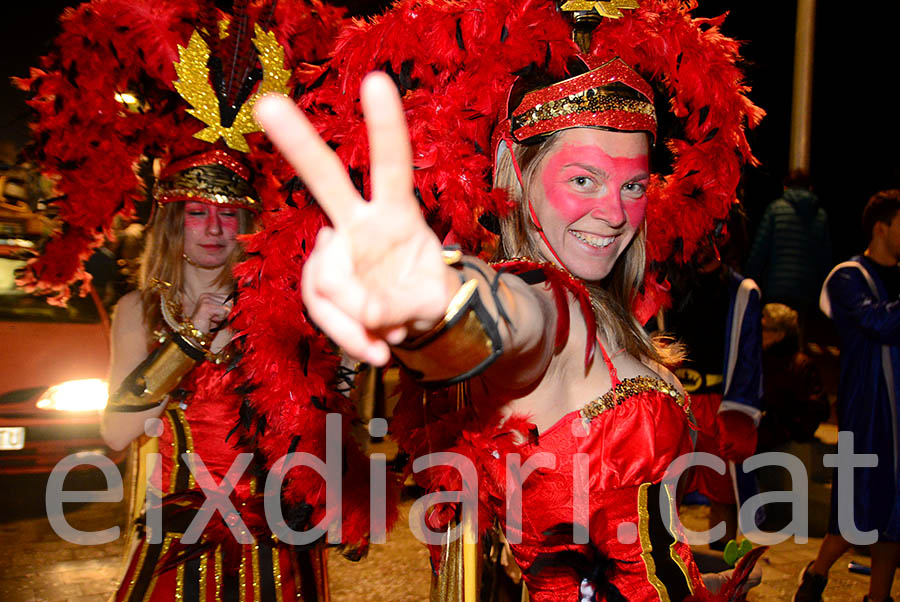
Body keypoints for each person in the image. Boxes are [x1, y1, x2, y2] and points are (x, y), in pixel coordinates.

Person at [257, 26, 763, 602]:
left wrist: (702, 582)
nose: (615, 213)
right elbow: (513, 319)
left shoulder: (605, 305)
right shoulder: (547, 301)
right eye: (583, 179)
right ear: (517, 177)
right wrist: (437, 301)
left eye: (634, 185)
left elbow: (623, 549)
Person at [794, 189, 900, 602]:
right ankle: (816, 574)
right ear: (881, 226)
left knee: (894, 513)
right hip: (867, 410)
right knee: (856, 510)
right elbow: (876, 322)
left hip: (897, 415)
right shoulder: (847, 277)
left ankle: (878, 597)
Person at [663, 243, 763, 550]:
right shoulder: (664, 284)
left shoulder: (741, 290)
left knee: (724, 495)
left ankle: (725, 578)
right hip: (673, 401)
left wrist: (741, 413)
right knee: (664, 495)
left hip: (719, 403)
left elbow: (750, 358)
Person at [745, 170, 832, 341]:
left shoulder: (775, 210)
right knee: (796, 338)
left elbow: (760, 249)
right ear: (810, 188)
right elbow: (825, 257)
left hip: (777, 286)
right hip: (806, 289)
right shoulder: (820, 215)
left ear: (785, 187)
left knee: (772, 336)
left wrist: (749, 279)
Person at [756, 302, 829, 453]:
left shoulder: (800, 365)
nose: (758, 333)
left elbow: (819, 408)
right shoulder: (757, 360)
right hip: (764, 432)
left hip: (783, 438)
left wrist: (788, 427)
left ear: (780, 334)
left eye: (764, 329)